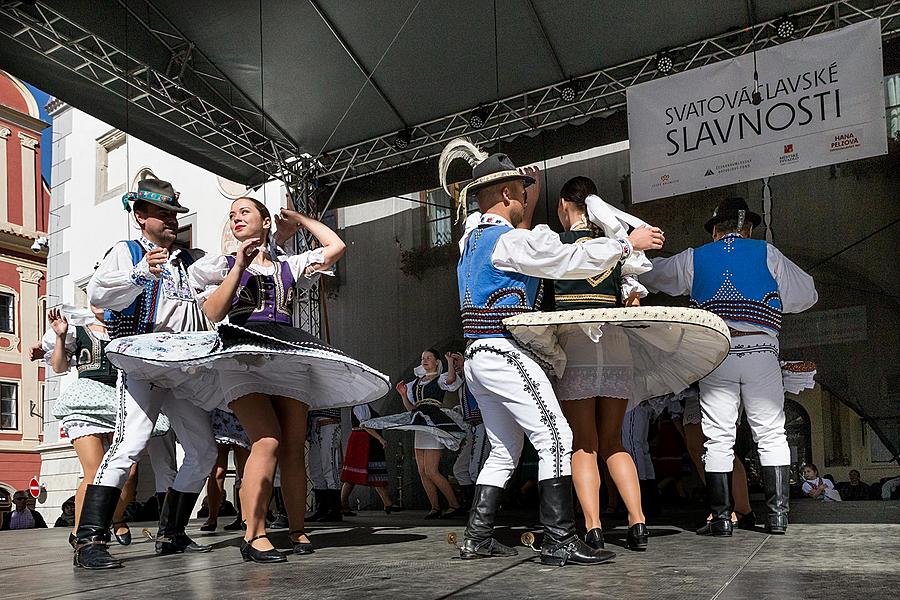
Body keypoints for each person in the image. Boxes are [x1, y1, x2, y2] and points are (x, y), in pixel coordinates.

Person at [105, 198, 389, 564]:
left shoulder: (288, 264)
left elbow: (336, 247)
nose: (237, 218)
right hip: (242, 356)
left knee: (292, 448)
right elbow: (211, 312)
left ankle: (297, 528)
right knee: (266, 440)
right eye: (232, 215)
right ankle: (254, 534)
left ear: (265, 221)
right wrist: (238, 265)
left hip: (286, 355)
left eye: (245, 212)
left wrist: (300, 219)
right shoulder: (217, 265)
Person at [440, 138, 663, 566]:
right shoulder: (507, 242)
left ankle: (477, 537)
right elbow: (565, 259)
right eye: (521, 195)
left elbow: (513, 230)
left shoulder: (472, 240)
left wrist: (527, 189)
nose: (527, 201)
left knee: (505, 449)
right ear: (507, 195)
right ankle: (560, 538)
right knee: (557, 437)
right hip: (504, 352)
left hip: (477, 359)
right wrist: (624, 244)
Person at [642, 196, 818, 536]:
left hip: (717, 349)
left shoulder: (695, 257)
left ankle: (721, 518)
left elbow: (653, 276)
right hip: (761, 348)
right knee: (770, 432)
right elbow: (806, 293)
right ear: (748, 229)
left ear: (714, 232)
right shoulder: (765, 252)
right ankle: (778, 517)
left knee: (718, 438)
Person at [76, 177, 218, 570]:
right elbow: (99, 295)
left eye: (174, 213)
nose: (171, 219)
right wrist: (140, 273)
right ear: (140, 216)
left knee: (204, 449)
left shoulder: (189, 260)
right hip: (142, 363)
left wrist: (250, 251)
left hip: (182, 369)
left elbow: (222, 272)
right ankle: (89, 540)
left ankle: (171, 533)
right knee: (130, 444)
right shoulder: (127, 251)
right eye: (162, 213)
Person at [40, 305, 174, 550]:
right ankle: (81, 532)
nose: (105, 304)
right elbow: (59, 367)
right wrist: (60, 336)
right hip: (86, 399)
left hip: (120, 399)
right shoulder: (77, 330)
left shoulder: (125, 331)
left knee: (130, 472)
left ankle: (116, 516)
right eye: (99, 298)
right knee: (94, 471)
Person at [363, 349, 466, 518]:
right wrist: (404, 395)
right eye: (422, 358)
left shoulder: (439, 379)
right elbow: (412, 409)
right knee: (422, 471)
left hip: (433, 424)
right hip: (420, 424)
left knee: (432, 470)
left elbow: (452, 379)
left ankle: (454, 505)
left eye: (428, 358)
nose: (424, 360)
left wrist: (448, 361)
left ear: (436, 362)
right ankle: (435, 507)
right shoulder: (416, 383)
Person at [340, 402, 400, 514]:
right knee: (352, 476)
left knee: (375, 472)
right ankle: (343, 504)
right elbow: (365, 425)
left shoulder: (364, 405)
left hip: (368, 441)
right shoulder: (359, 405)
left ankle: (387, 503)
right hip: (362, 442)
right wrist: (379, 438)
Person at [449, 352, 490, 510]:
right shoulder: (462, 380)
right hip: (471, 427)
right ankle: (471, 505)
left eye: (458, 360)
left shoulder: (477, 374)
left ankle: (483, 508)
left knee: (476, 469)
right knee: (460, 469)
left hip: (482, 424)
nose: (457, 364)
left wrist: (465, 363)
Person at [200, 410, 250, 531]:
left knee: (245, 472)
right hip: (222, 412)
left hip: (241, 412)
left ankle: (246, 518)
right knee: (218, 471)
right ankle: (212, 516)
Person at [307, 409, 345, 522]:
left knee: (330, 466)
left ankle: (334, 509)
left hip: (329, 421)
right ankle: (322, 508)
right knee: (316, 469)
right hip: (314, 423)